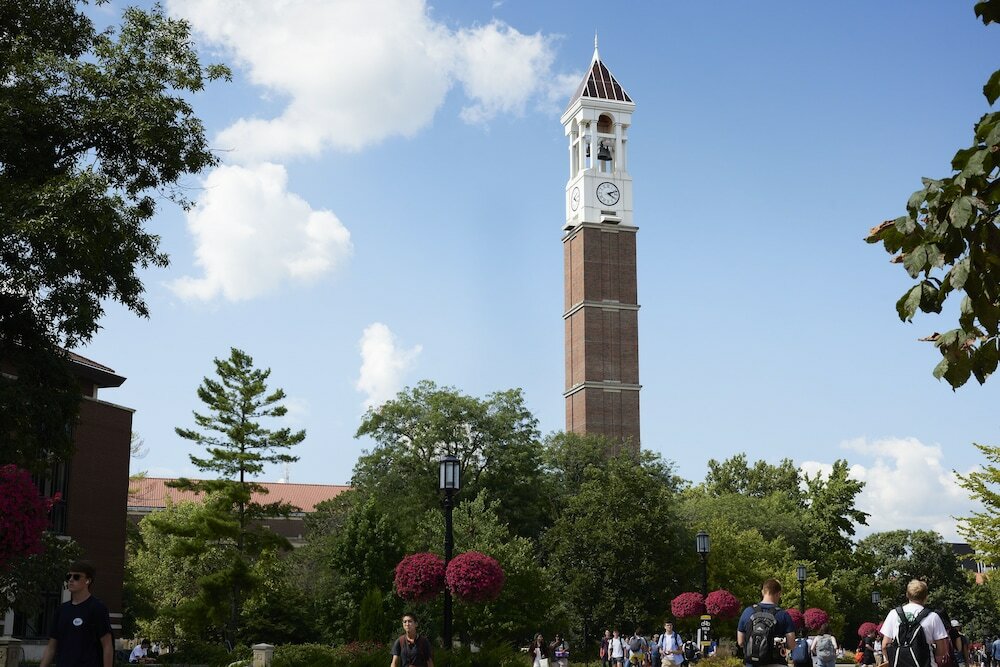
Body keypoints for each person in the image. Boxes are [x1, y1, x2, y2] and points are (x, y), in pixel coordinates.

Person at [39, 560, 113, 667]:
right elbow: (51, 647)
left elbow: (107, 645)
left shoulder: (97, 608)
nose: (71, 580)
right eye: (68, 576)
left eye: (76, 577)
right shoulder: (61, 610)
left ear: (88, 580)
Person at [879, 579, 948, 667]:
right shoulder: (932, 616)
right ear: (926, 596)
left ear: (907, 595)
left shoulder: (894, 614)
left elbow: (884, 645)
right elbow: (942, 650)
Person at [736, 578, 797, 667]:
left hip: (752, 663)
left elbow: (740, 642)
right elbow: (791, 644)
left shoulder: (748, 612)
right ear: (779, 593)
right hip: (776, 662)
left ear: (762, 592)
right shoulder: (783, 615)